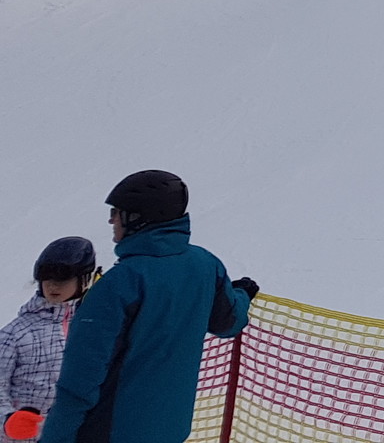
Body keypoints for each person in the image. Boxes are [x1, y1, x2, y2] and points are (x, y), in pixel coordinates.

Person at [39, 172, 255, 443]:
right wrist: (242, 294)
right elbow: (229, 322)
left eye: (116, 213)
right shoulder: (205, 265)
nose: (111, 220)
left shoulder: (119, 285)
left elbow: (79, 383)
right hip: (169, 430)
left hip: (110, 433)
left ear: (138, 218)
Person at [2, 239, 98, 440]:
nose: (53, 285)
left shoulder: (92, 328)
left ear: (84, 280)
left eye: (63, 279)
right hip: (22, 436)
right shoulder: (16, 333)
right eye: (46, 279)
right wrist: (7, 420)